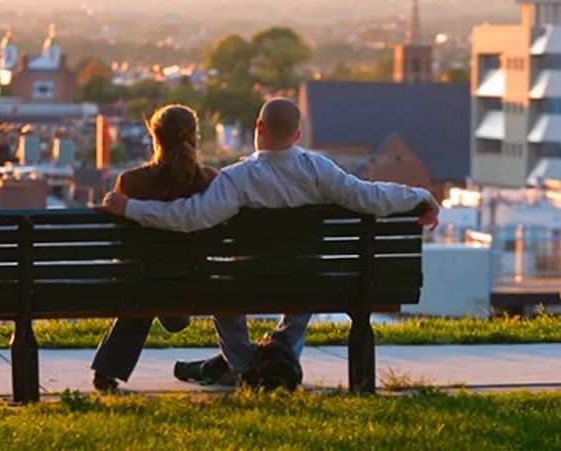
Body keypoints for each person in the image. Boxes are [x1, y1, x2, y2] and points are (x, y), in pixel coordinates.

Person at [101, 97, 440, 386]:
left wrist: (131, 208)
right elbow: (371, 197)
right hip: (310, 284)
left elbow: (190, 217)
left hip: (245, 285)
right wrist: (420, 196)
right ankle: (280, 353)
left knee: (223, 293)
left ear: (258, 129)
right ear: (297, 134)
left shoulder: (237, 178)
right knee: (305, 279)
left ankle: (246, 364)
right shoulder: (319, 171)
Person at [91, 104, 218, 391]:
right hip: (196, 283)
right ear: (195, 137)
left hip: (142, 281)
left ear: (154, 138)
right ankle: (175, 313)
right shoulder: (211, 181)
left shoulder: (132, 183)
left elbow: (121, 247)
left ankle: (108, 370)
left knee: (146, 284)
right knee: (161, 280)